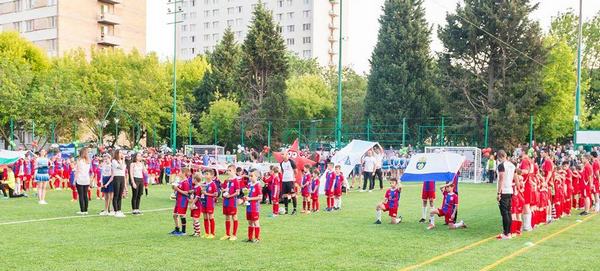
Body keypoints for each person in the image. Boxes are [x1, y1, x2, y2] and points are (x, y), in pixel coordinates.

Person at [496, 150, 515, 240]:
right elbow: (514, 177)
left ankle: (506, 233)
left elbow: (501, 178)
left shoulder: (501, 165)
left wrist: (499, 192)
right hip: (510, 190)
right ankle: (508, 232)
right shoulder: (512, 165)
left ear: (499, 157)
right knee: (508, 211)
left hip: (504, 191)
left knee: (504, 213)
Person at [170, 168, 192, 236]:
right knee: (174, 215)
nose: (178, 173)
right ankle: (177, 229)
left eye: (180, 172)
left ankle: (183, 231)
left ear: (183, 173)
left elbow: (187, 193)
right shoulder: (181, 181)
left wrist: (178, 190)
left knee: (182, 215)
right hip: (178, 200)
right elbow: (178, 189)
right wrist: (174, 189)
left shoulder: (186, 182)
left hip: (183, 200)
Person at [220, 165, 240, 241]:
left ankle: (234, 234)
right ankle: (227, 234)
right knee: (227, 217)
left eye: (230, 170)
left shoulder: (236, 180)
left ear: (234, 171)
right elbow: (225, 189)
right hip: (226, 201)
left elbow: (237, 192)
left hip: (232, 201)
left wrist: (230, 196)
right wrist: (223, 190)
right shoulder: (227, 180)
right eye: (227, 170)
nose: (228, 172)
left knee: (234, 216)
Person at [244, 169, 262, 243]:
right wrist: (245, 198)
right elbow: (247, 195)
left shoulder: (258, 185)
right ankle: (250, 238)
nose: (250, 177)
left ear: (257, 176)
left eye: (252, 176)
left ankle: (257, 238)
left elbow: (260, 197)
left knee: (256, 222)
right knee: (250, 222)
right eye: (249, 176)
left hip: (255, 207)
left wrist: (250, 198)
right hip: (248, 206)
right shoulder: (249, 185)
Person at [201, 169, 218, 238]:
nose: (206, 175)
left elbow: (216, 194)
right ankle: (207, 232)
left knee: (211, 217)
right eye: (205, 174)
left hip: (210, 203)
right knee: (205, 217)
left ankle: (212, 233)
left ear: (212, 175)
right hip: (204, 202)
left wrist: (206, 194)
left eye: (207, 174)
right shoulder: (204, 184)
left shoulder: (213, 184)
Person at [75, 148, 93, 215]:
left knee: (81, 195)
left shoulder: (79, 160)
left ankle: (82, 210)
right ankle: (85, 209)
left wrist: (75, 179)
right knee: (85, 195)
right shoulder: (88, 161)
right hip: (86, 179)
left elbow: (78, 170)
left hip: (80, 178)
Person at [111, 150, 127, 218]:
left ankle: (119, 210)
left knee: (120, 195)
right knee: (116, 194)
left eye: (122, 153)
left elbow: (124, 170)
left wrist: (123, 160)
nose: (121, 154)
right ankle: (116, 210)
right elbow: (120, 167)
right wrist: (122, 160)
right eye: (120, 153)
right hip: (116, 177)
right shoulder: (114, 161)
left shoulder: (122, 161)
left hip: (122, 177)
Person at [188, 172, 204, 237]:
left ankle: (198, 233)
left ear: (195, 179)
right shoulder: (195, 187)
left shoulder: (198, 187)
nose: (192, 180)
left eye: (192, 179)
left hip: (197, 205)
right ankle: (195, 232)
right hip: (194, 205)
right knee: (194, 219)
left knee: (195, 218)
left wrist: (192, 204)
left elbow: (197, 197)